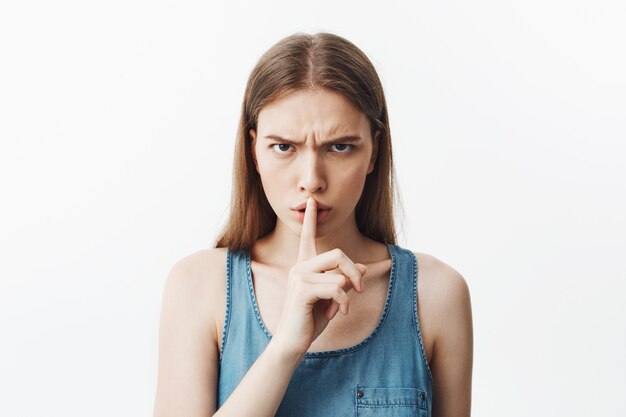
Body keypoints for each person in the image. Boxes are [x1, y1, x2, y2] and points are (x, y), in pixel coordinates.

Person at [153, 32, 473, 417]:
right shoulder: (198, 287)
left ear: (373, 151)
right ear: (254, 151)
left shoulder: (435, 295)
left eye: (340, 147)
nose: (311, 179)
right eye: (284, 147)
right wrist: (288, 344)